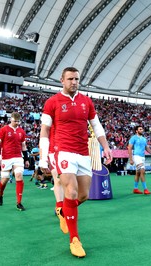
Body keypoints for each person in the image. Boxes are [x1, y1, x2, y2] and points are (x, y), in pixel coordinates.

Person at [39, 67, 112, 258]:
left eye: (77, 79)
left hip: (83, 153)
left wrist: (106, 146)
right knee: (70, 191)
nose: (74, 82)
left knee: (83, 195)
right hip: (62, 151)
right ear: (61, 80)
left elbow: (96, 125)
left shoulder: (86, 101)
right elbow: (45, 130)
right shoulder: (52, 102)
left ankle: (64, 211)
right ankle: (75, 239)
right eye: (70, 78)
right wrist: (43, 156)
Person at [0, 112, 29, 211]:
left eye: (18, 121)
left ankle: (19, 202)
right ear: (11, 119)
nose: (17, 123)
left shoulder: (21, 131)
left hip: (18, 157)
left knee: (19, 176)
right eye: (15, 121)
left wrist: (26, 159)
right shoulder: (4, 129)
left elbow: (23, 146)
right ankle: (1, 194)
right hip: (6, 158)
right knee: (4, 180)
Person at [128, 125, 151, 194]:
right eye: (140, 129)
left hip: (142, 157)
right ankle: (145, 189)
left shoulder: (144, 139)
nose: (142, 130)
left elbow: (147, 148)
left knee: (138, 173)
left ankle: (135, 189)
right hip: (136, 156)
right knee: (142, 171)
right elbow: (129, 148)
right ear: (136, 130)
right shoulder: (133, 138)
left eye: (142, 129)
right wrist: (131, 159)